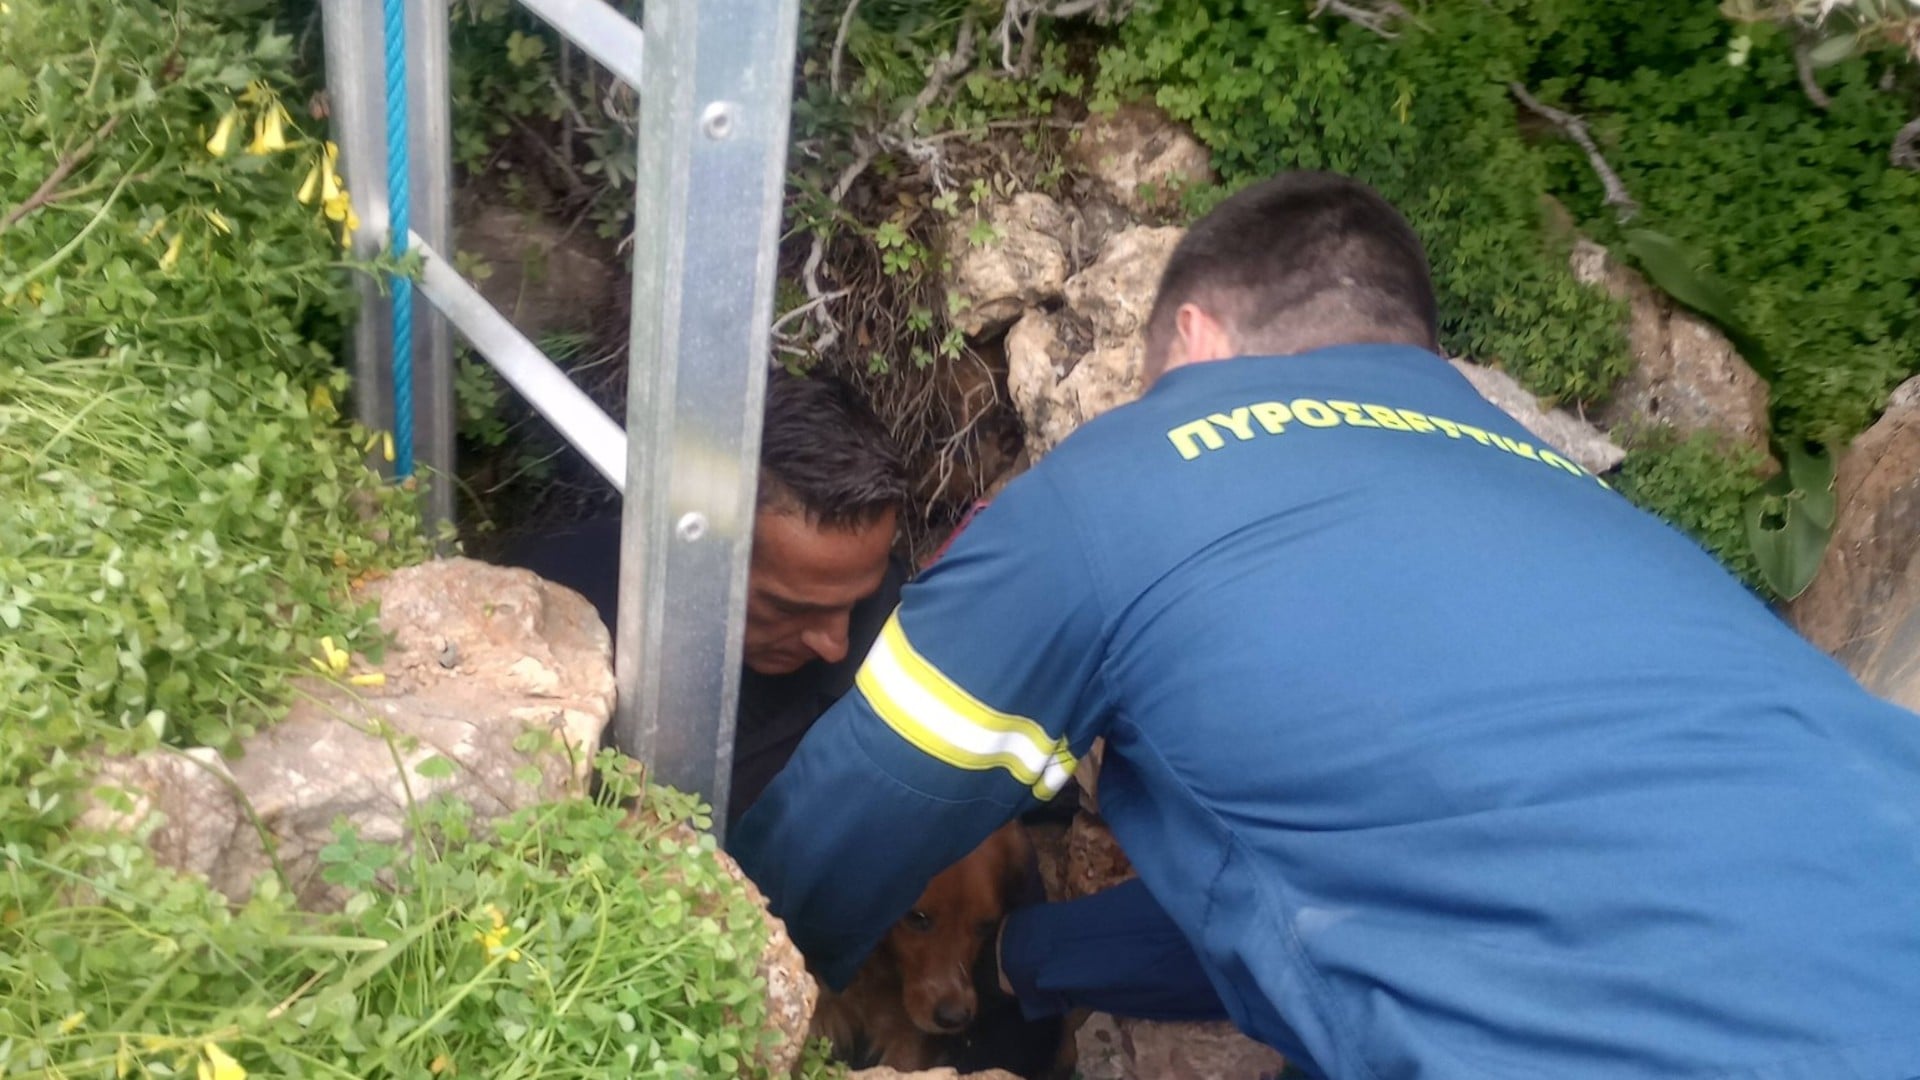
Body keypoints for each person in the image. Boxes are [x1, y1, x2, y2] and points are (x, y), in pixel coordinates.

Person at [731, 172, 1920, 1079]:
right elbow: (1367, 886)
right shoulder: (1594, 512)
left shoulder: (1131, 480)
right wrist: (1032, 960)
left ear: (1195, 341)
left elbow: (848, 822)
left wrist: (733, 995)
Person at [498, 369, 909, 827]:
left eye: (856, 601)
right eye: (791, 608)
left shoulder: (902, 624)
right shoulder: (548, 619)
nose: (836, 645)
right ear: (696, 551)